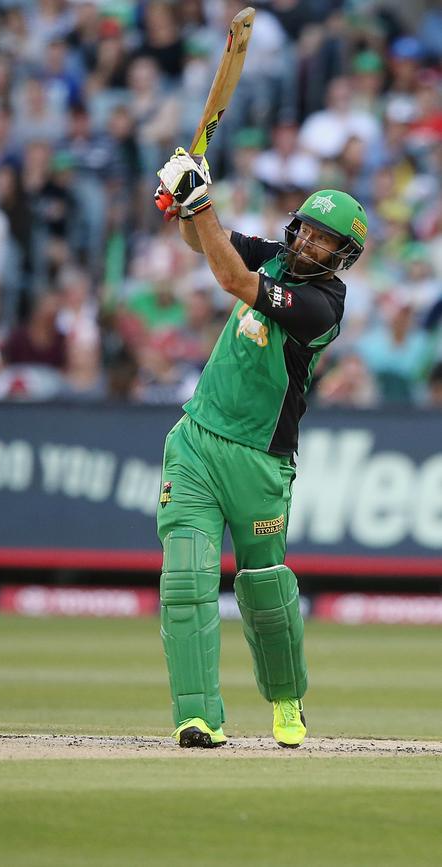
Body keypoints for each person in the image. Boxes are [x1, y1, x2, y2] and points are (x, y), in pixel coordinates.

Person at [154, 147, 368, 748]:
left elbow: (230, 278)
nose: (308, 246)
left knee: (265, 592)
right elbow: (208, 246)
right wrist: (186, 200)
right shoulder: (275, 254)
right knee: (186, 578)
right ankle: (197, 717)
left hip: (261, 462)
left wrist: (200, 201)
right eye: (306, 231)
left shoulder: (325, 307)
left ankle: (285, 700)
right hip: (196, 442)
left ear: (341, 258)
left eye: (325, 243)